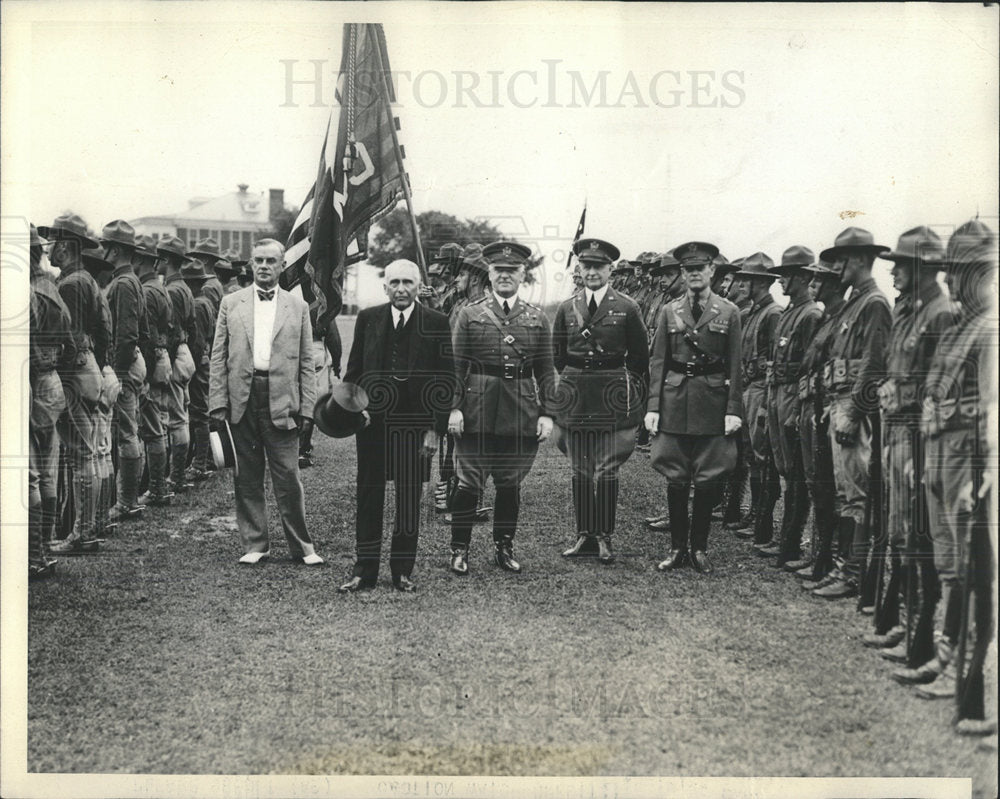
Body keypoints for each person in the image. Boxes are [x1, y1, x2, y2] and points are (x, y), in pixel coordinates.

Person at [896, 221, 996, 723]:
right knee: (947, 564)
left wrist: (983, 478)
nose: (956, 283)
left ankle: (960, 665)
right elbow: (935, 394)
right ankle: (945, 658)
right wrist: (923, 454)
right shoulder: (958, 327)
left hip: (969, 464)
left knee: (971, 573)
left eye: (965, 274)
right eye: (952, 274)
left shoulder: (989, 329)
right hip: (939, 454)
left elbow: (992, 412)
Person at [337, 259, 454, 593]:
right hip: (373, 425)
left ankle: (402, 569)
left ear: (418, 287)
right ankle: (365, 570)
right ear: (384, 286)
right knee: (369, 495)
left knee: (408, 498)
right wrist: (353, 409)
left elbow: (445, 381)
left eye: (407, 282)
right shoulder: (368, 318)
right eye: (394, 283)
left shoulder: (436, 322)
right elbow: (354, 371)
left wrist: (435, 429)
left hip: (415, 428)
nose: (401, 289)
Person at [866, 228, 954, 656]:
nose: (894, 272)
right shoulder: (910, 311)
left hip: (918, 439)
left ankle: (918, 635)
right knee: (901, 533)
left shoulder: (940, 313)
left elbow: (940, 389)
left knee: (918, 537)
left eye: (900, 264)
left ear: (920, 269)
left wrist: (923, 452)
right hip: (896, 432)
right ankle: (901, 623)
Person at [209, 238, 322, 565]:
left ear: (282, 265)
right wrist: (218, 401)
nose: (263, 266)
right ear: (251, 263)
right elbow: (217, 357)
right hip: (241, 398)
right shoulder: (231, 303)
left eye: (271, 261)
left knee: (288, 476)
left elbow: (306, 361)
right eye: (258, 260)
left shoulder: (297, 307)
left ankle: (303, 547)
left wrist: (308, 408)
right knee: (246, 475)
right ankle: (256, 545)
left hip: (282, 399)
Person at [447, 241, 556, 575]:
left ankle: (504, 547)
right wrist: (453, 408)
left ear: (522, 275)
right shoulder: (470, 313)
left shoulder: (537, 318)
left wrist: (548, 413)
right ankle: (459, 549)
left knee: (510, 483)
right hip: (476, 408)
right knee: (468, 483)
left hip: (519, 410)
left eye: (512, 271)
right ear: (490, 274)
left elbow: (546, 370)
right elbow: (456, 365)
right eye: (499, 271)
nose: (505, 276)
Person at [646, 241, 743, 574]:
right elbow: (658, 361)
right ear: (682, 274)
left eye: (700, 269)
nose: (694, 275)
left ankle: (699, 548)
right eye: (688, 270)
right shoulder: (668, 311)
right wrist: (653, 406)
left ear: (712, 271)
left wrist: (733, 409)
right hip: (674, 399)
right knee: (675, 475)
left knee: (706, 477)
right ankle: (677, 548)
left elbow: (735, 365)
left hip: (713, 401)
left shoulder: (729, 312)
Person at [554, 238, 649, 563]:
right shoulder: (568, 307)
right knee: (581, 469)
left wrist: (623, 387)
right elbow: (558, 354)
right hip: (578, 395)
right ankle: (584, 535)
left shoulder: (627, 306)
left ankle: (605, 536)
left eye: (598, 266)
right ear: (579, 269)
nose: (592, 272)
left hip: (612, 394)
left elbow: (639, 356)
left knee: (607, 469)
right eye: (586, 266)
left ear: (610, 269)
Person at [812, 227, 891, 601]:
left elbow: (874, 366)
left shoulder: (874, 303)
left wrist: (853, 413)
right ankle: (848, 567)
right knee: (847, 492)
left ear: (860, 259)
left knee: (857, 495)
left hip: (853, 409)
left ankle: (856, 572)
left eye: (842, 259)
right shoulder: (856, 303)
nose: (837, 266)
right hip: (838, 402)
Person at [39, 214, 109, 554]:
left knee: (81, 454)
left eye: (53, 241)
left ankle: (83, 534)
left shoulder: (68, 284)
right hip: (89, 365)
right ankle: (90, 529)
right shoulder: (86, 280)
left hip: (75, 370)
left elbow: (66, 339)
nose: (49, 248)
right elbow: (101, 330)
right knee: (90, 452)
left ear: (66, 246)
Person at [762, 246, 822, 568]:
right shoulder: (789, 312)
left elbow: (810, 366)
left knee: (797, 472)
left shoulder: (810, 314)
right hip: (776, 391)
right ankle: (784, 539)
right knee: (784, 466)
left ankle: (793, 542)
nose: (781, 281)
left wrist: (799, 407)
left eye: (786, 275)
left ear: (801, 277)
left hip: (792, 395)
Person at [797, 258, 849, 587]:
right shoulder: (827, 317)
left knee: (830, 487)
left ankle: (830, 560)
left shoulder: (840, 316)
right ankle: (820, 557)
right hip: (814, 404)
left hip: (828, 406)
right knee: (817, 482)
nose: (813, 283)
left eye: (820, 279)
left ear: (834, 284)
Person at [29, 224, 73, 576]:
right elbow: (69, 341)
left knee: (30, 474)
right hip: (53, 379)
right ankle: (43, 550)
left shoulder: (27, 293)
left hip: (32, 382)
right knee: (48, 471)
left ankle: (32, 555)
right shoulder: (51, 288)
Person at [730, 253, 782, 551]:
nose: (741, 283)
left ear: (760, 282)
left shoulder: (772, 313)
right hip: (750, 388)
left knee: (762, 457)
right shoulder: (756, 312)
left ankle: (763, 518)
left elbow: (773, 357)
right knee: (752, 454)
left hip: (761, 389)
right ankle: (753, 514)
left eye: (747, 279)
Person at [102, 221, 150, 523]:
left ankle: (127, 501)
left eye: (105, 247)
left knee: (126, 433)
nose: (101, 252)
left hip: (125, 363)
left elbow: (127, 335)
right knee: (130, 431)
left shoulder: (122, 284)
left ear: (115, 250)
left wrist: (117, 372)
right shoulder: (129, 281)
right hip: (132, 361)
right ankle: (128, 498)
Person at [81, 245, 120, 541]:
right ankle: (100, 519)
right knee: (102, 449)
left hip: (90, 367)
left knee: (90, 452)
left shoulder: (84, 289)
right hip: (104, 369)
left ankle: (89, 525)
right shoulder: (100, 292)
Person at [133, 234, 175, 507]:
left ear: (140, 260)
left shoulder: (147, 290)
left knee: (152, 426)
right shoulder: (158, 288)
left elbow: (144, 335)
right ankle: (159, 485)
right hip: (163, 355)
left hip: (153, 359)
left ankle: (157, 487)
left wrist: (145, 373)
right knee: (159, 423)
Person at [158, 235, 198, 495]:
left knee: (176, 420)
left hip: (175, 354)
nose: (156, 263)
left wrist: (168, 362)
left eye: (160, 258)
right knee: (182, 415)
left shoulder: (171, 290)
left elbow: (171, 330)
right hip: (186, 353)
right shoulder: (184, 288)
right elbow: (191, 327)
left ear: (166, 260)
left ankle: (176, 477)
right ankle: (179, 475)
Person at [180, 258, 216, 483]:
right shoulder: (205, 302)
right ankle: (200, 459)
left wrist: (189, 367)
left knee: (199, 412)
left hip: (198, 362)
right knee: (200, 411)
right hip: (203, 359)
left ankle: (200, 463)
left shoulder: (197, 304)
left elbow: (198, 340)